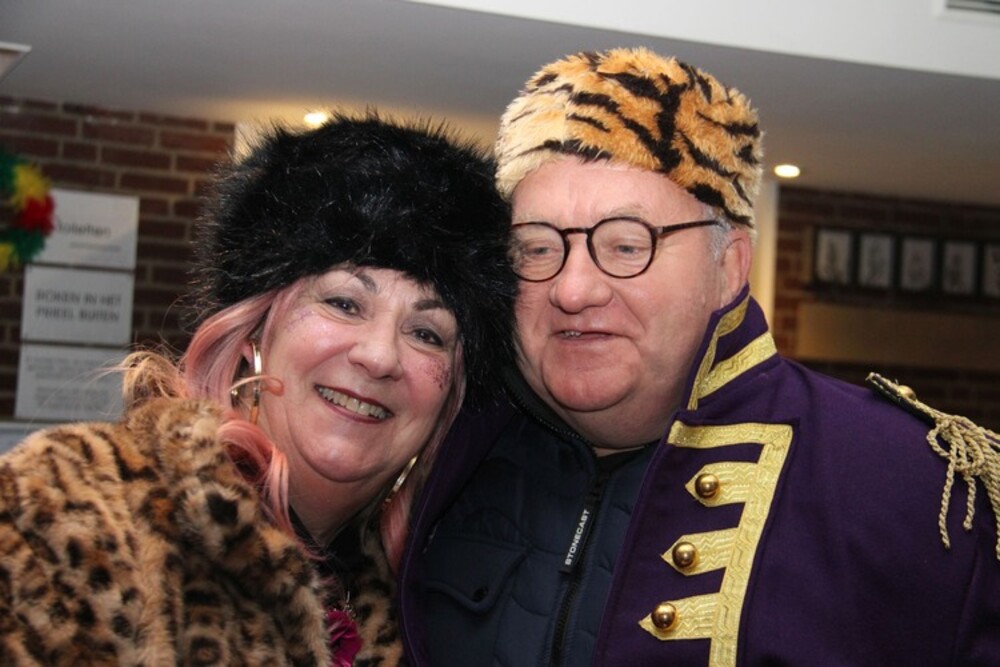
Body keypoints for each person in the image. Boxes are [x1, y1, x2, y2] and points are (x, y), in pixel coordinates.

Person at [397, 47, 1000, 665]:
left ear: (729, 268)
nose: (572, 290)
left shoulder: (915, 482)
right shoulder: (438, 446)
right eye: (537, 248)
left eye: (627, 245)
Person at [0, 112, 516, 665]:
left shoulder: (423, 607)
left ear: (449, 398)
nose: (380, 356)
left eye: (427, 333)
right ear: (253, 329)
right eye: (344, 303)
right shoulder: (71, 515)